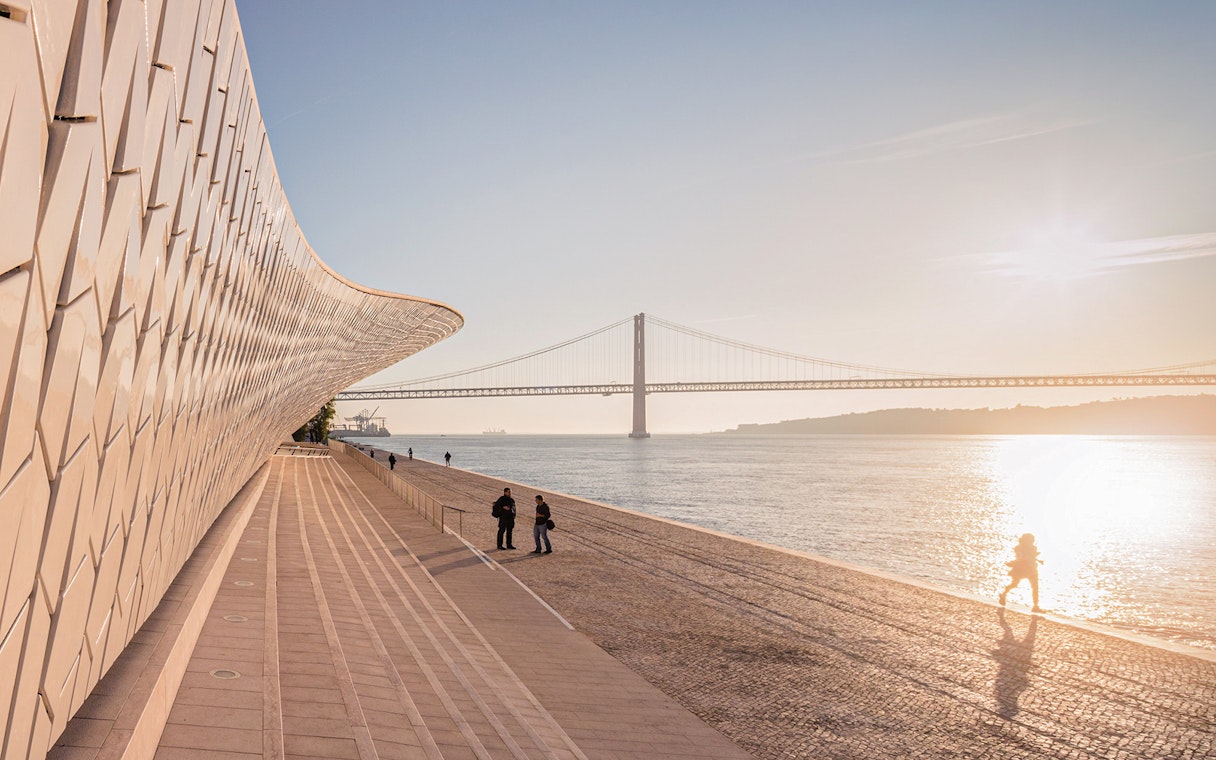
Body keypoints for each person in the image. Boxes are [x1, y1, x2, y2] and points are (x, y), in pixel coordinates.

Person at [999, 533, 1044, 612]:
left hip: (1031, 569)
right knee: (1015, 584)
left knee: (1035, 587)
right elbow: (1020, 558)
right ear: (1025, 540)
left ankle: (1035, 606)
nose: (1032, 542)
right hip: (1020, 569)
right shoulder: (1019, 548)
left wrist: (1034, 557)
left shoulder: (1033, 548)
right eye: (1031, 540)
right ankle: (1004, 594)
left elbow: (1031, 557)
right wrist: (1014, 562)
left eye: (1032, 540)